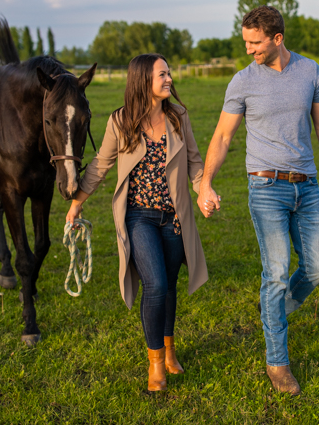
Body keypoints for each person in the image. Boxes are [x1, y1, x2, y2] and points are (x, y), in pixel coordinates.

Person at [196, 5, 319, 396]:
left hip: (308, 186)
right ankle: (278, 363)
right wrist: (205, 183)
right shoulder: (242, 82)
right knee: (276, 273)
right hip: (265, 188)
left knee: (318, 268)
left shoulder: (310, 71)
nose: (248, 50)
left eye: (255, 43)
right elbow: (223, 137)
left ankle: (273, 310)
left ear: (277, 39)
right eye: (245, 41)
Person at [66, 53, 207, 393]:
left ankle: (170, 351)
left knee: (170, 285)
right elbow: (100, 165)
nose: (169, 78)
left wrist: (204, 191)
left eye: (169, 73)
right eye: (162, 74)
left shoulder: (179, 117)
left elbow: (194, 162)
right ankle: (155, 362)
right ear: (144, 80)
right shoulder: (121, 121)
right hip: (139, 216)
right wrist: (76, 204)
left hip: (174, 217)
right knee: (155, 284)